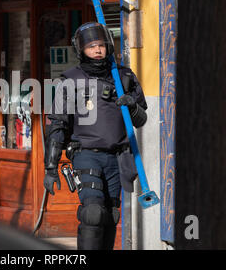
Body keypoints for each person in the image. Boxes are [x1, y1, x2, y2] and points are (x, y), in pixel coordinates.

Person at [43, 22, 148, 250]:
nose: (97, 50)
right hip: (86, 154)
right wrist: (50, 167)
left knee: (110, 215)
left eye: (100, 45)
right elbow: (58, 125)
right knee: (92, 212)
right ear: (81, 50)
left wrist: (131, 105)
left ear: (108, 46)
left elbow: (141, 119)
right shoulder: (70, 81)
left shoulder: (124, 77)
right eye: (91, 46)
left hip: (117, 157)